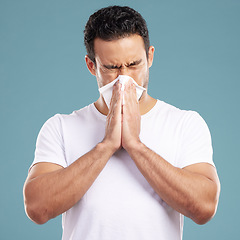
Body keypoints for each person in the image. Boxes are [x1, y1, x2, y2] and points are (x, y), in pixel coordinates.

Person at [23, 5, 220, 240]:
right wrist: (106, 146)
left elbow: (204, 208)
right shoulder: (60, 127)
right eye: (112, 67)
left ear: (150, 57)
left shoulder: (185, 123)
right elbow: (37, 208)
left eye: (134, 64)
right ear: (91, 66)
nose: (124, 78)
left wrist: (135, 145)